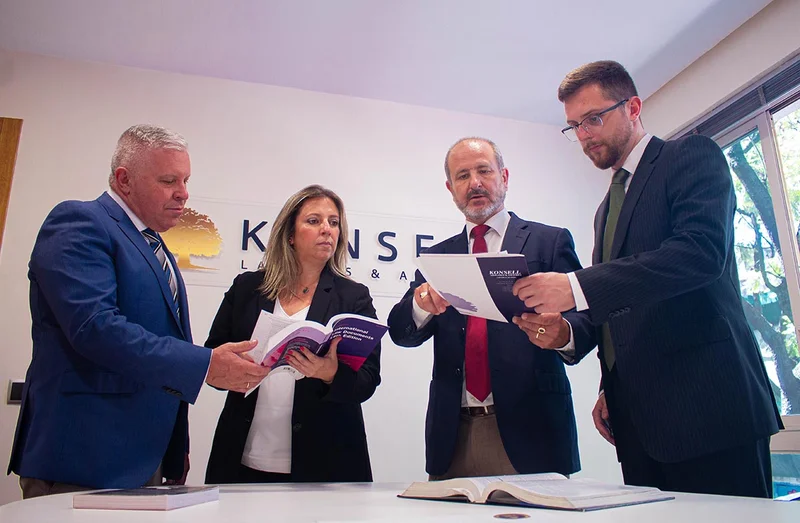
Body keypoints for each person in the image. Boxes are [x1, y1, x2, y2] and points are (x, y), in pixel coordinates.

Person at [512, 60, 783, 498]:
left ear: (633, 106)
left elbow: (699, 255)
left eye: (594, 118)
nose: (584, 135)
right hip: (636, 422)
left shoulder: (691, 156)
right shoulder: (605, 209)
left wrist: (576, 287)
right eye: (574, 126)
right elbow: (625, 307)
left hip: (711, 412)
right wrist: (597, 370)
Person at [7, 124, 269, 499]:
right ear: (124, 180)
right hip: (83, 459)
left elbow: (161, 343)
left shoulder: (154, 245)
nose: (184, 193)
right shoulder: (79, 223)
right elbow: (95, 328)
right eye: (168, 181)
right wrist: (206, 364)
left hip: (145, 459)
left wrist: (174, 447)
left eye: (186, 180)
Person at [387, 137, 595, 479]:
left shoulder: (549, 241)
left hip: (533, 431)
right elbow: (400, 332)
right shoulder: (438, 257)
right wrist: (421, 304)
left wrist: (562, 334)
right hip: (453, 436)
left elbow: (587, 322)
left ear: (505, 176)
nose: (475, 183)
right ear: (451, 188)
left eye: (484, 171)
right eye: (463, 176)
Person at [204, 184, 381, 484]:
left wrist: (330, 373)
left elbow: (367, 380)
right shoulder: (247, 288)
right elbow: (212, 362)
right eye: (314, 221)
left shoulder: (353, 297)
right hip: (244, 460)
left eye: (334, 222)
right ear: (289, 234)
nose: (327, 229)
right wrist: (235, 365)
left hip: (325, 464)